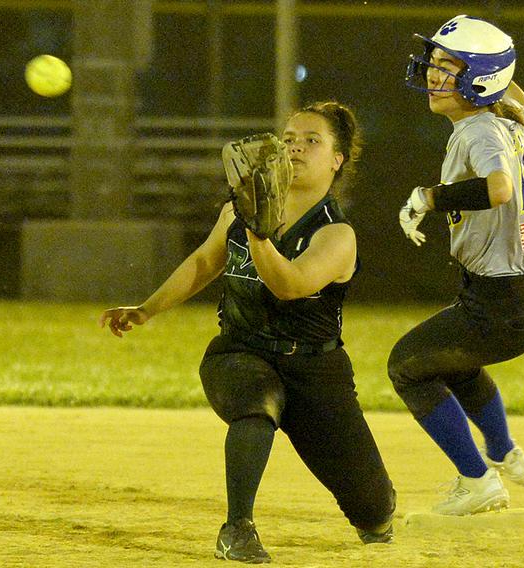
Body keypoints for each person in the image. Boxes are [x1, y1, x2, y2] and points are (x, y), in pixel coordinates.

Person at [100, 101, 395, 563]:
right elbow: (204, 261)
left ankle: (377, 517)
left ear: (337, 160)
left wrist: (259, 234)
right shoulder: (239, 209)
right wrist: (146, 309)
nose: (296, 147)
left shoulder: (337, 235)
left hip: (315, 369)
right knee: (256, 402)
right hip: (240, 350)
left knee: (374, 509)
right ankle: (237, 529)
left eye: (312, 141)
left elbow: (291, 285)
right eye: (290, 138)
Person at [389, 14, 524, 516]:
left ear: (480, 81)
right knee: (453, 361)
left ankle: (477, 481)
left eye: (449, 68)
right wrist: (491, 66)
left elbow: (499, 188)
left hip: (501, 302)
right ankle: (504, 451)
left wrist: (427, 197)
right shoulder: (509, 121)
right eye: (435, 65)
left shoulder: (479, 132)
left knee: (407, 368)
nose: (434, 77)